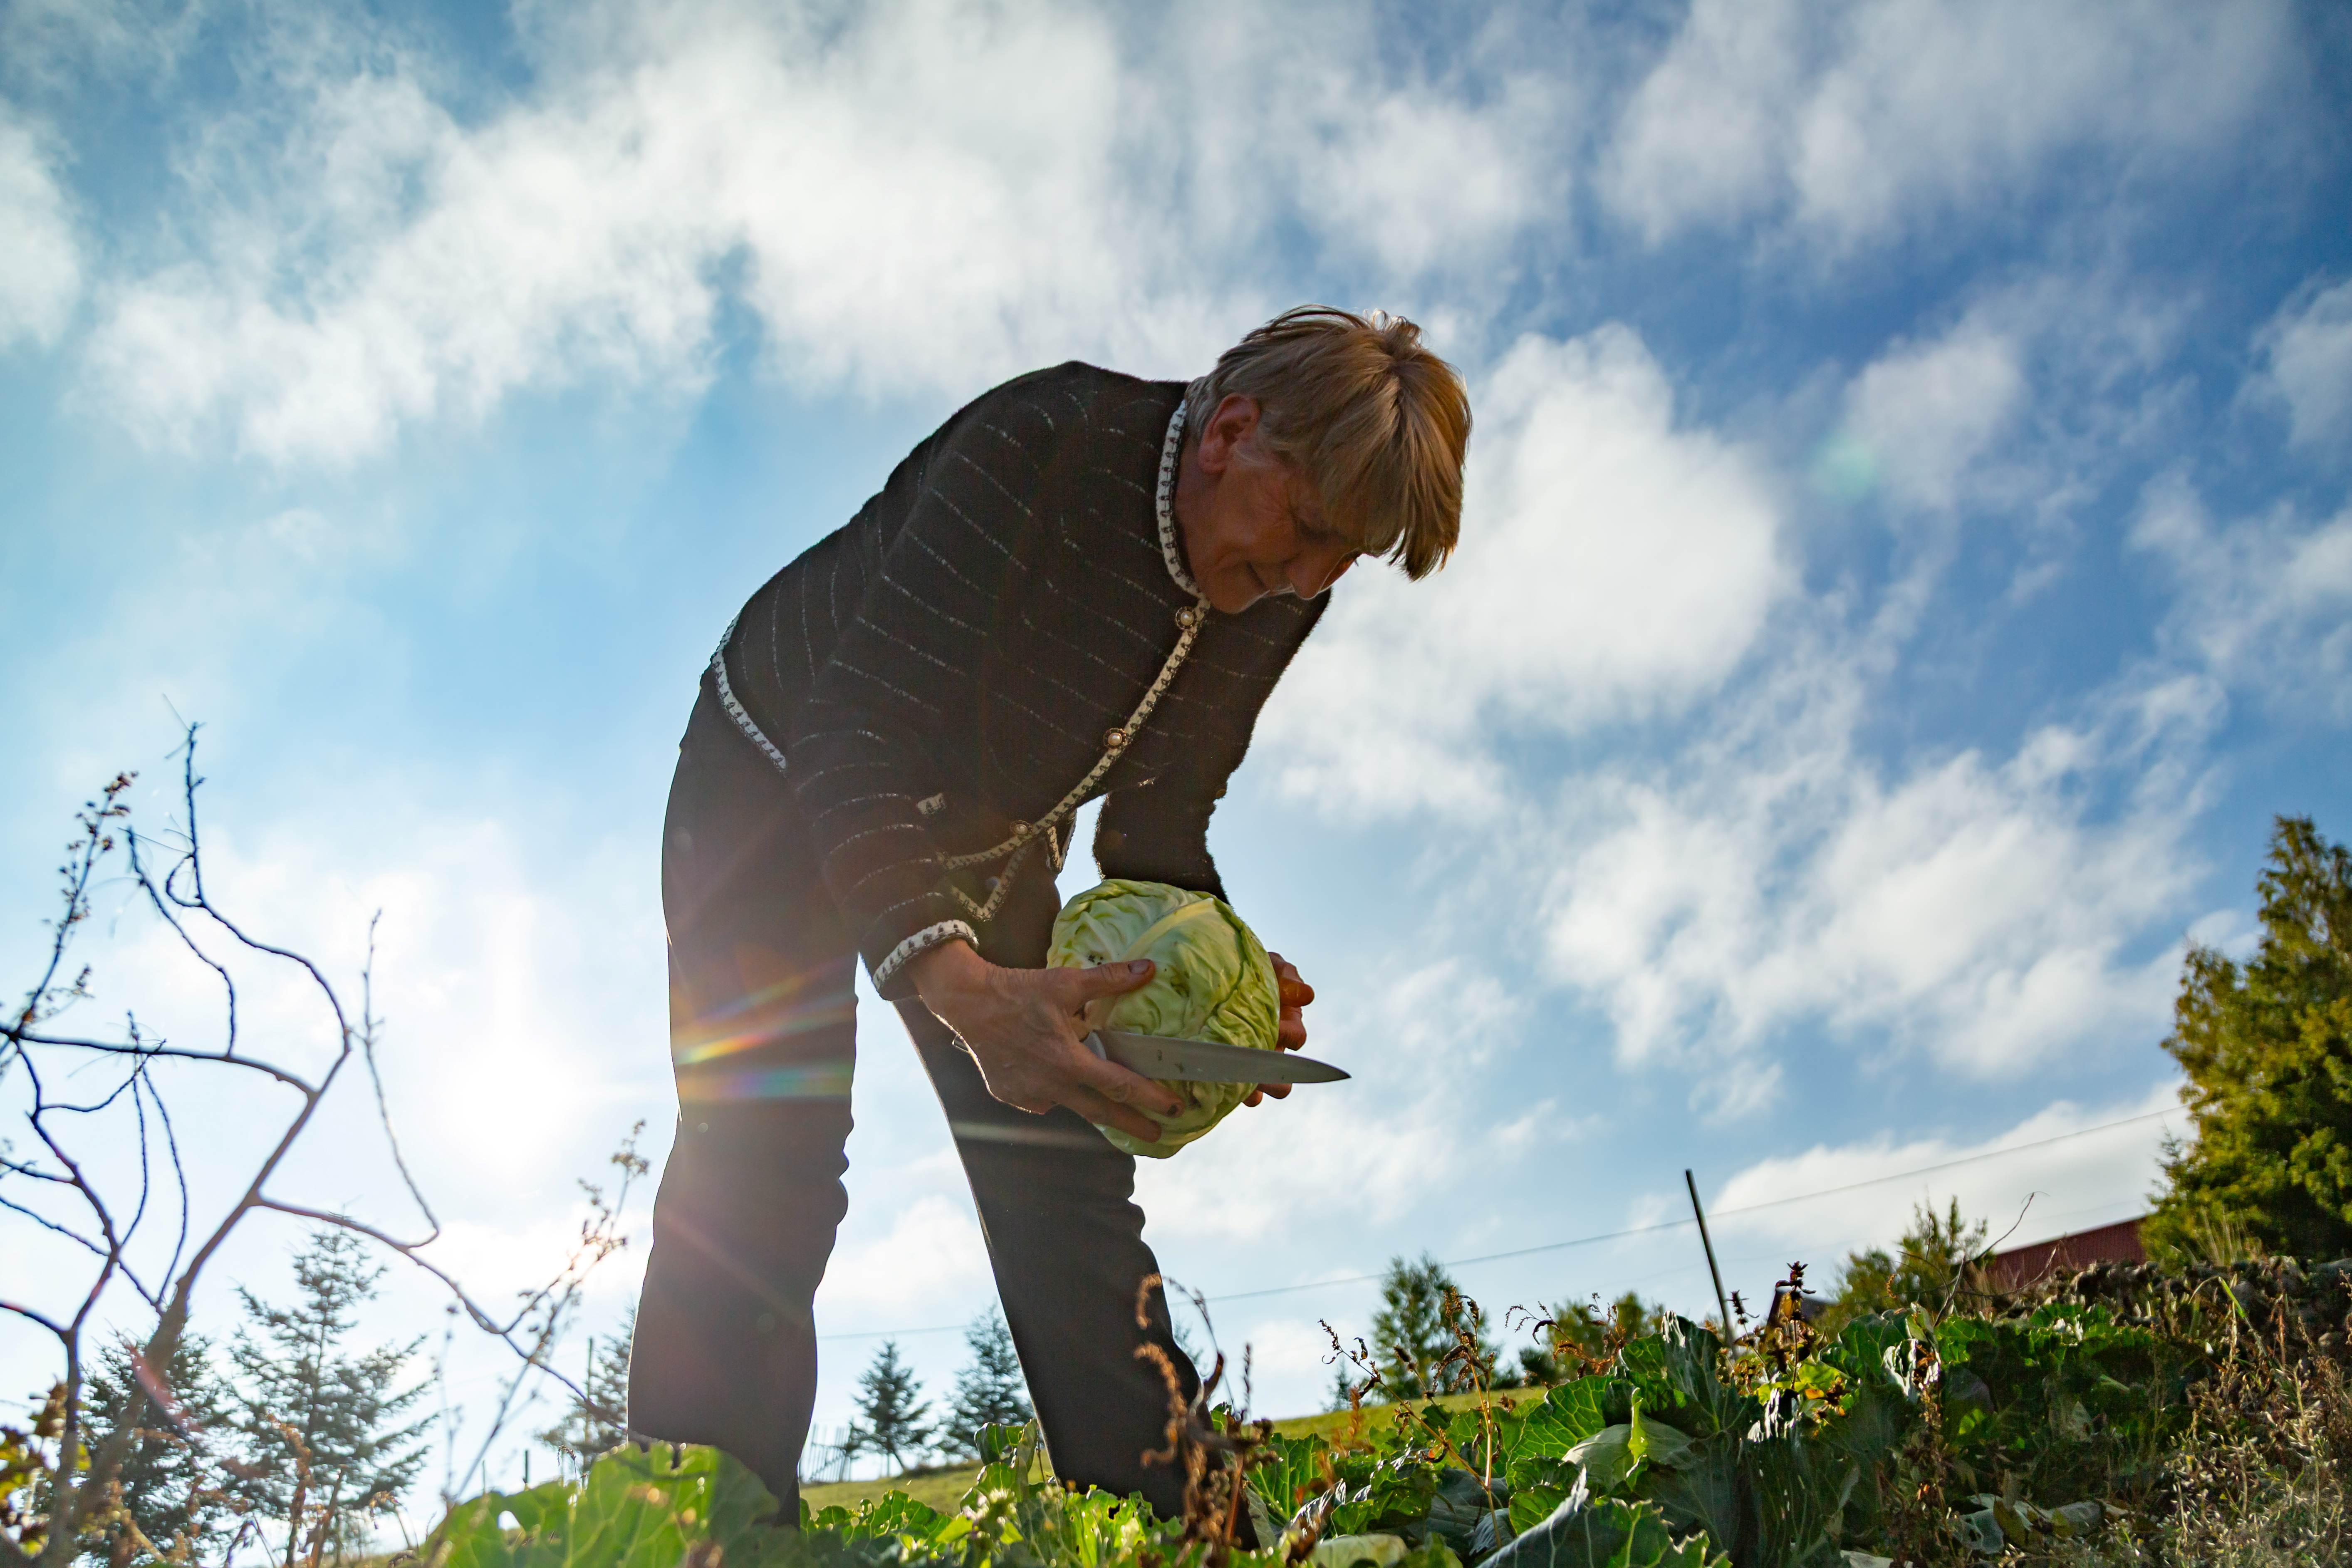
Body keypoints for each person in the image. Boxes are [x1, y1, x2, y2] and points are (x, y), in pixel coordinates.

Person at [629, 306, 1471, 1518]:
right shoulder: (1045, 446)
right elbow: (851, 730)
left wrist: (1215, 974)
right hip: (770, 783)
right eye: (1313, 534)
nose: (1309, 580)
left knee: (1061, 1166)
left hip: (984, 834)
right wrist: (964, 989)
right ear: (1234, 432)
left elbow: (1160, 818)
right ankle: (696, 1537)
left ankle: (1179, 1529)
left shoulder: (1275, 585)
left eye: (1347, 560)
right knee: (767, 1152)